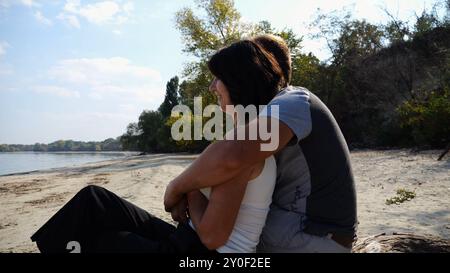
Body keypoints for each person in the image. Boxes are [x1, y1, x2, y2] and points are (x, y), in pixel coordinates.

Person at [30, 39, 283, 253]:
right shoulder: (246, 138)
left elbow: (213, 236)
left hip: (205, 253)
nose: (212, 86)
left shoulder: (245, 147)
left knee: (103, 241)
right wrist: (189, 188)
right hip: (189, 240)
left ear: (238, 83)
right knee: (94, 199)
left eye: (218, 78)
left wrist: (191, 189)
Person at [164, 34, 358, 253]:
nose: (211, 86)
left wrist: (177, 187)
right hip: (299, 233)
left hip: (312, 238)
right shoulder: (265, 116)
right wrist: (190, 190)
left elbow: (233, 155)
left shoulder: (294, 100)